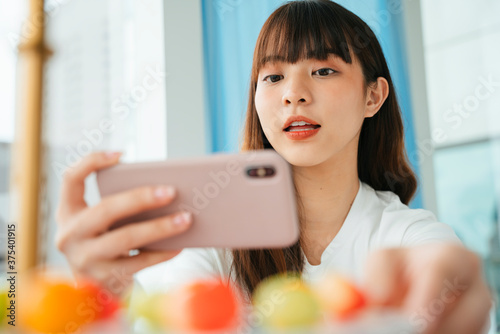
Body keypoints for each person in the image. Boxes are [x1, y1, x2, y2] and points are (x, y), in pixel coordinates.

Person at [55, 1, 492, 333]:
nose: (294, 94)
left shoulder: (409, 235)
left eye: (323, 70)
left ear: (373, 97)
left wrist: (451, 294)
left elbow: (438, 264)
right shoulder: (214, 239)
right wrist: (105, 296)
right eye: (273, 76)